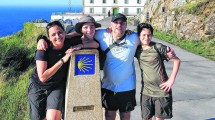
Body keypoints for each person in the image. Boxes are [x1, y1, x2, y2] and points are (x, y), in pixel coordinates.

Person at [28, 19, 100, 120]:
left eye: (60, 32)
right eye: (53, 35)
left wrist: (80, 46)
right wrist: (63, 60)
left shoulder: (69, 42)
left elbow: (95, 44)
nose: (58, 37)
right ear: (49, 37)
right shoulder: (43, 50)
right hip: (38, 86)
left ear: (64, 33)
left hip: (57, 86)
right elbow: (43, 77)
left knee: (52, 118)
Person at [95, 13, 140, 120]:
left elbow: (148, 39)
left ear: (126, 25)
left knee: (125, 116)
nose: (119, 25)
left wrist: (165, 50)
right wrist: (46, 40)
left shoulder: (133, 37)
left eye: (122, 23)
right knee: (109, 115)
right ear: (111, 25)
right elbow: (84, 33)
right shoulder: (102, 35)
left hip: (127, 86)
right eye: (116, 22)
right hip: (108, 85)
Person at [135, 23, 181, 120]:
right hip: (146, 92)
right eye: (143, 35)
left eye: (149, 35)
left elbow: (177, 60)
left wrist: (171, 80)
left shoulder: (158, 47)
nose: (146, 37)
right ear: (139, 35)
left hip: (161, 92)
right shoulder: (137, 50)